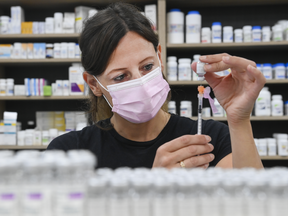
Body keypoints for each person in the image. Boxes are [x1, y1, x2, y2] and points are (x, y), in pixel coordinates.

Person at [47, 2, 265, 170]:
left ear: (159, 56)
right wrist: (153, 189)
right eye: (121, 77)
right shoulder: (69, 152)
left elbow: (256, 206)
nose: (140, 83)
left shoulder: (208, 138)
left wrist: (239, 120)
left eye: (147, 66)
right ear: (94, 84)